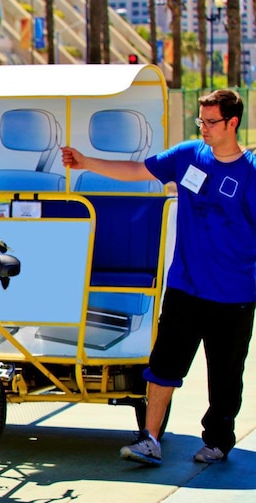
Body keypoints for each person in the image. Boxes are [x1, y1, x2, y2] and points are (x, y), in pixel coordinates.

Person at [60, 89, 256, 466]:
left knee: (226, 379)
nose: (204, 128)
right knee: (163, 368)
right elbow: (138, 171)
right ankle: (149, 439)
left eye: (211, 121)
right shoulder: (187, 156)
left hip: (234, 296)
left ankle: (217, 441)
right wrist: (87, 162)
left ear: (232, 123)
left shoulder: (250, 174)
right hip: (185, 288)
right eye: (201, 120)